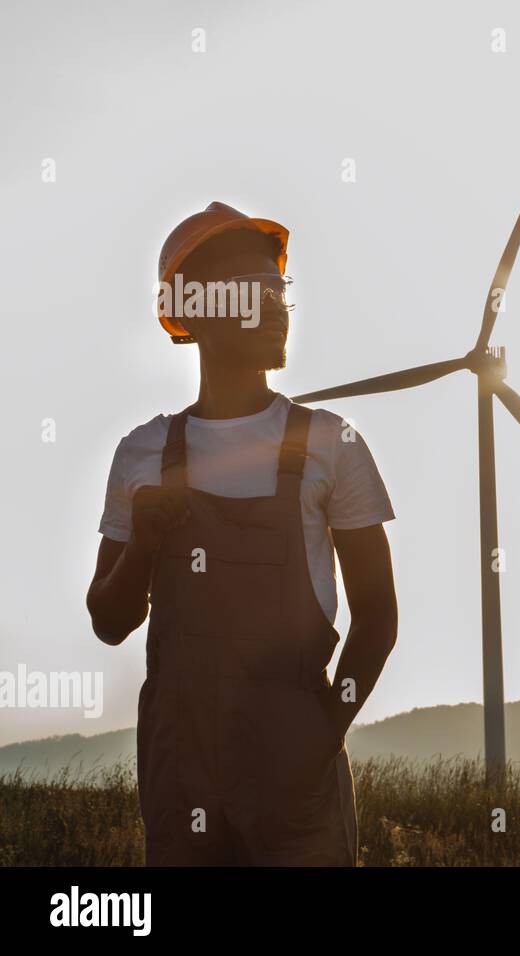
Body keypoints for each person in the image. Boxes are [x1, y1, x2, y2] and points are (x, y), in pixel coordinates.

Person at [86, 202, 398, 865]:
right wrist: (141, 542)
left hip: (297, 763)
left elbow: (378, 615)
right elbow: (109, 621)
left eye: (280, 290)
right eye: (255, 291)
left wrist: (323, 733)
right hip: (181, 764)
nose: (279, 307)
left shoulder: (330, 444)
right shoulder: (142, 454)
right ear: (192, 311)